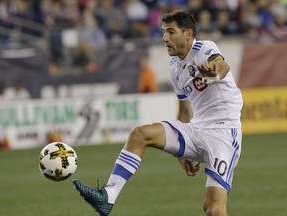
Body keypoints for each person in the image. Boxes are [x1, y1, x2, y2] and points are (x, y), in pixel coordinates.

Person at [73, 9, 243, 216]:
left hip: (224, 133)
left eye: (171, 32)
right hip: (196, 129)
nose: (164, 38)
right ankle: (107, 197)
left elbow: (221, 65)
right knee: (139, 134)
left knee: (213, 210)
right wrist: (180, 153)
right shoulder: (175, 67)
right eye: (163, 32)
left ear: (188, 34)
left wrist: (214, 74)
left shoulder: (204, 48)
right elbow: (183, 111)